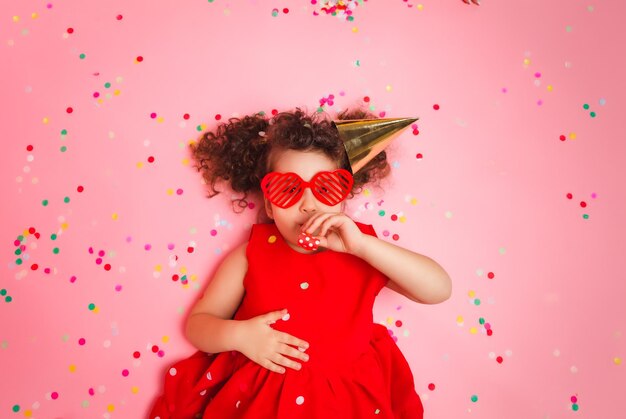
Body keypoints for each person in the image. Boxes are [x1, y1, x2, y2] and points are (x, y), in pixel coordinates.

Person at [149, 107, 452, 418]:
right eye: (288, 190)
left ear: (343, 199)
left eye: (326, 188)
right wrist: (239, 336)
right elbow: (199, 324)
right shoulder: (251, 254)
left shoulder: (363, 250)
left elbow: (438, 289)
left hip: (348, 402)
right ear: (269, 203)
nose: (308, 204)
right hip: (261, 402)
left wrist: (363, 246)